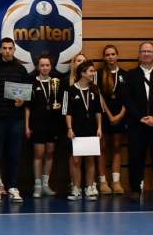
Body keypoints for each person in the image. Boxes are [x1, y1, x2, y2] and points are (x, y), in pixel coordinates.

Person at [122, 41, 153, 201]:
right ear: (139, 54)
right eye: (143, 51)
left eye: (149, 51)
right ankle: (135, 190)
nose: (146, 54)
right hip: (137, 124)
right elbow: (127, 99)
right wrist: (140, 117)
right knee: (135, 158)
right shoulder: (131, 75)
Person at [0, 37, 31, 203]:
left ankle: (13, 187)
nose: (7, 51)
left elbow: (27, 94)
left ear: (14, 50)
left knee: (14, 155)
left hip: (16, 119)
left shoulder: (20, 69)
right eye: (4, 48)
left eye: (10, 48)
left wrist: (22, 100)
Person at [65, 58, 103, 200]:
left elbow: (98, 111)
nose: (93, 73)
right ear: (83, 73)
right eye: (91, 71)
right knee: (76, 160)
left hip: (91, 129)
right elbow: (67, 112)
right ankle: (76, 188)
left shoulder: (95, 90)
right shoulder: (70, 90)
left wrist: (99, 128)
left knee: (90, 159)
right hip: (76, 130)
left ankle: (89, 187)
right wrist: (69, 128)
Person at [27, 54, 63, 199]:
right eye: (42, 65)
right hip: (37, 124)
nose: (45, 68)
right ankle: (37, 186)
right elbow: (27, 107)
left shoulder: (56, 82)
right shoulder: (32, 83)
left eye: (47, 65)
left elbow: (61, 102)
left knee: (50, 153)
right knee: (39, 154)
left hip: (53, 123)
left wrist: (59, 106)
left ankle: (45, 184)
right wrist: (27, 126)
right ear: (37, 67)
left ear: (51, 66)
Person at [96, 44, 127, 195]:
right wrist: (109, 115)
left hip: (121, 116)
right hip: (104, 116)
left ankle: (116, 182)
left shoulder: (125, 74)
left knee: (117, 147)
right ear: (104, 57)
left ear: (117, 56)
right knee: (102, 148)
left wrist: (120, 115)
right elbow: (98, 96)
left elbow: (129, 97)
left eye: (113, 54)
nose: (110, 57)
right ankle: (103, 182)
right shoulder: (98, 74)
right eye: (107, 54)